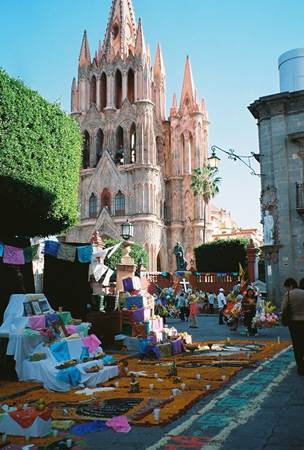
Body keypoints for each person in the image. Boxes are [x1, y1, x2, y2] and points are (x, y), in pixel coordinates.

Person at [281, 278, 304, 376]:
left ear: (290, 286)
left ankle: (301, 367)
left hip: (294, 322)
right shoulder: (303, 293)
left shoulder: (289, 295)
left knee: (297, 344)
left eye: (287, 287)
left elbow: (283, 308)